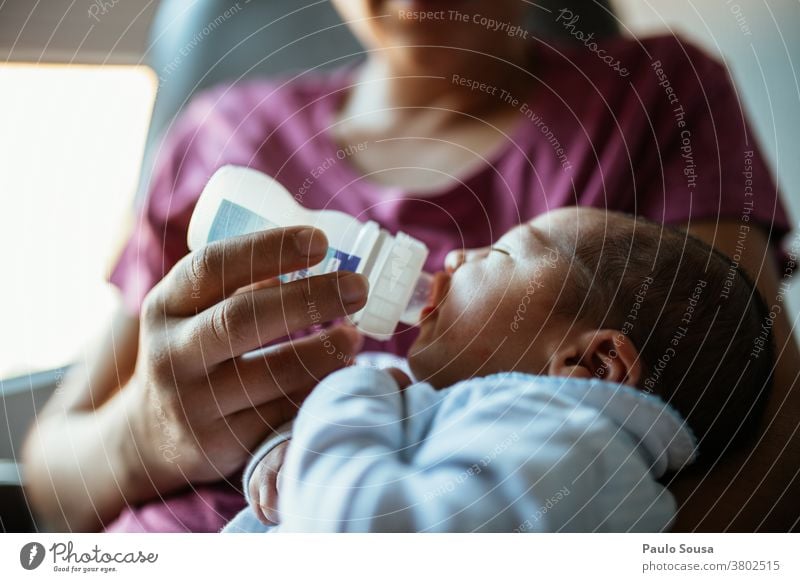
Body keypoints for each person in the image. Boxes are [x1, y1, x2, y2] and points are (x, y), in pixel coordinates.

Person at [22, 1, 798, 532]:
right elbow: (52, 485)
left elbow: (766, 451)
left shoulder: (654, 101)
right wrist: (148, 437)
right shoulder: (216, 133)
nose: (445, 261)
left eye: (500, 249)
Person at [226, 207, 772, 532]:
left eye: (503, 255)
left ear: (590, 364)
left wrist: (348, 394)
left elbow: (359, 527)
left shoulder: (562, 444)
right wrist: (288, 454)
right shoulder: (540, 439)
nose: (459, 256)